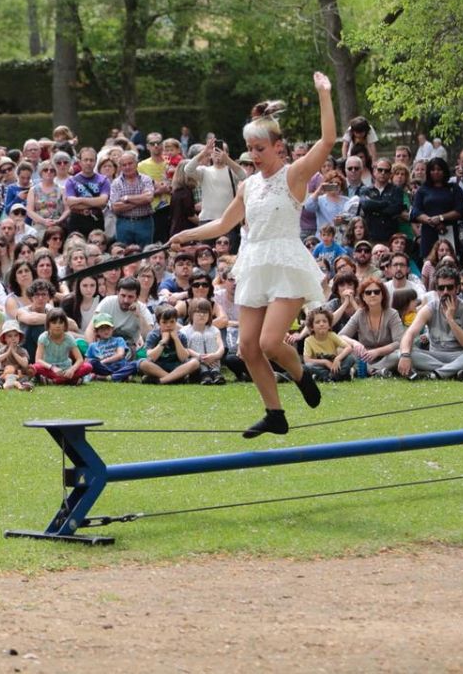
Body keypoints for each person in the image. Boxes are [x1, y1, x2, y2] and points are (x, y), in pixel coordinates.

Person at [169, 73, 333, 438]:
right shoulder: (246, 184)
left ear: (279, 147)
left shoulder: (295, 174)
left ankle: (303, 374)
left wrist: (324, 95)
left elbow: (328, 140)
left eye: (261, 148)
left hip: (287, 262)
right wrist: (185, 235)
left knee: (271, 343)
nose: (255, 156)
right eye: (251, 150)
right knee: (246, 347)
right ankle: (275, 413)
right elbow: (221, 224)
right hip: (255, 262)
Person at [395, 269, 463, 380]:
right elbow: (409, 334)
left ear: (457, 288)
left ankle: (436, 373)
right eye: (441, 288)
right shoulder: (430, 308)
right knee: (401, 352)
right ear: (436, 290)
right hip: (435, 355)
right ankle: (453, 371)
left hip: (461, 355)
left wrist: (450, 319)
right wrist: (405, 355)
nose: (445, 292)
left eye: (449, 287)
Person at [138, 305, 200, 384]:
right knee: (142, 363)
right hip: (158, 367)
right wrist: (163, 341)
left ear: (176, 321)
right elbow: (151, 357)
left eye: (172, 322)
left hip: (177, 367)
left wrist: (176, 339)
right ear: (158, 322)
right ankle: (176, 379)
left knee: (195, 362)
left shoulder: (181, 336)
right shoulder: (153, 335)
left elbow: (183, 358)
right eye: (164, 322)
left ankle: (162, 380)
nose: (168, 325)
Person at [31, 308, 92, 385]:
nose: (57, 325)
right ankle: (71, 381)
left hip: (66, 369)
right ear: (48, 324)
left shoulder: (69, 338)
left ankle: (55, 381)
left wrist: (72, 370)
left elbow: (79, 359)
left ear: (65, 324)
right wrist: (52, 368)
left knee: (88, 366)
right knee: (35, 367)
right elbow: (38, 360)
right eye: (54, 322)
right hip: (50, 369)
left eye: (60, 322)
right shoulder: (43, 337)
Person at [0, 319, 32, 390]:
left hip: (18, 373)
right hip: (4, 373)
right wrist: (8, 352)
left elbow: (25, 364)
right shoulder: (2, 350)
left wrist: (14, 353)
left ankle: (25, 386)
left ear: (19, 337)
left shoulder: (22, 351)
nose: (13, 338)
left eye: (16, 335)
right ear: (5, 338)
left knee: (24, 378)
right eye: (10, 336)